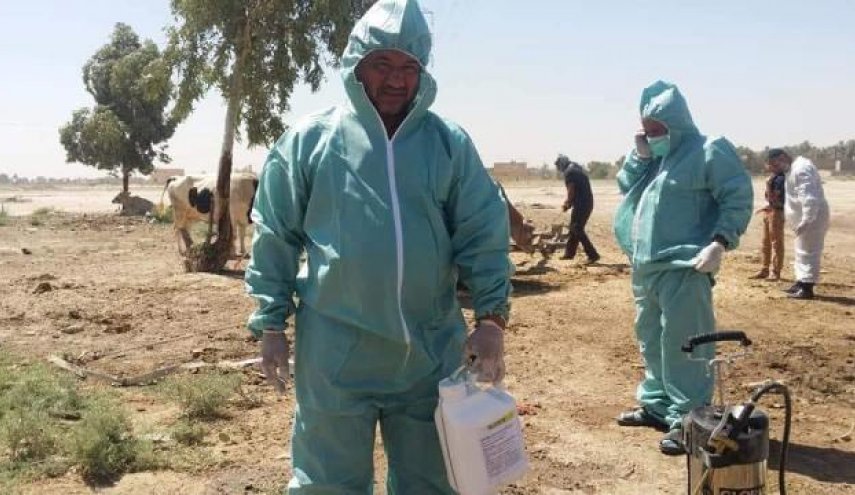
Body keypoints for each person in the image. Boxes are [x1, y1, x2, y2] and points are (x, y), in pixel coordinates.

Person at [244, 0, 512, 492]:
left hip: (428, 355)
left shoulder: (447, 144)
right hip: (336, 356)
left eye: (409, 67)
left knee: (432, 481)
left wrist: (491, 321)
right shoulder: (310, 141)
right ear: (356, 66)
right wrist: (271, 324)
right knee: (327, 482)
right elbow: (275, 233)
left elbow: (483, 232)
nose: (396, 80)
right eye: (382, 64)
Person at [612, 81, 753, 455]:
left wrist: (720, 242)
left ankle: (690, 418)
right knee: (650, 338)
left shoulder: (708, 150)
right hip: (647, 267)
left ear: (677, 123)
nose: (651, 136)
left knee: (685, 342)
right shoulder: (655, 160)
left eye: (657, 129)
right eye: (646, 129)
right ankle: (658, 406)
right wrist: (640, 155)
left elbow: (737, 196)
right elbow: (625, 186)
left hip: (685, 266)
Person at [766, 149, 830, 300]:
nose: (775, 170)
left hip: (811, 220)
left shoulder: (801, 169)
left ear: (783, 158)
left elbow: (809, 198)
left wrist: (807, 220)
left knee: (809, 252)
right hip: (802, 220)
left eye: (776, 165)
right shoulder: (792, 169)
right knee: (801, 251)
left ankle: (807, 288)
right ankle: (801, 282)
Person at [555, 155, 600, 263]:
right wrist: (570, 203)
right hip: (586, 202)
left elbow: (571, 189)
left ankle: (593, 255)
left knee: (577, 228)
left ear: (561, 165)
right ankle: (569, 253)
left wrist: (567, 203)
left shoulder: (569, 172)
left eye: (559, 167)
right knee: (574, 227)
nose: (560, 170)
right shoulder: (576, 168)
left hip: (582, 204)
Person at [748, 161, 787, 280]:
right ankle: (765, 269)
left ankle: (775, 271)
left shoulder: (780, 179)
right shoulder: (773, 177)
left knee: (776, 243)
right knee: (766, 243)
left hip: (776, 212)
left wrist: (768, 185)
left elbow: (775, 198)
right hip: (770, 210)